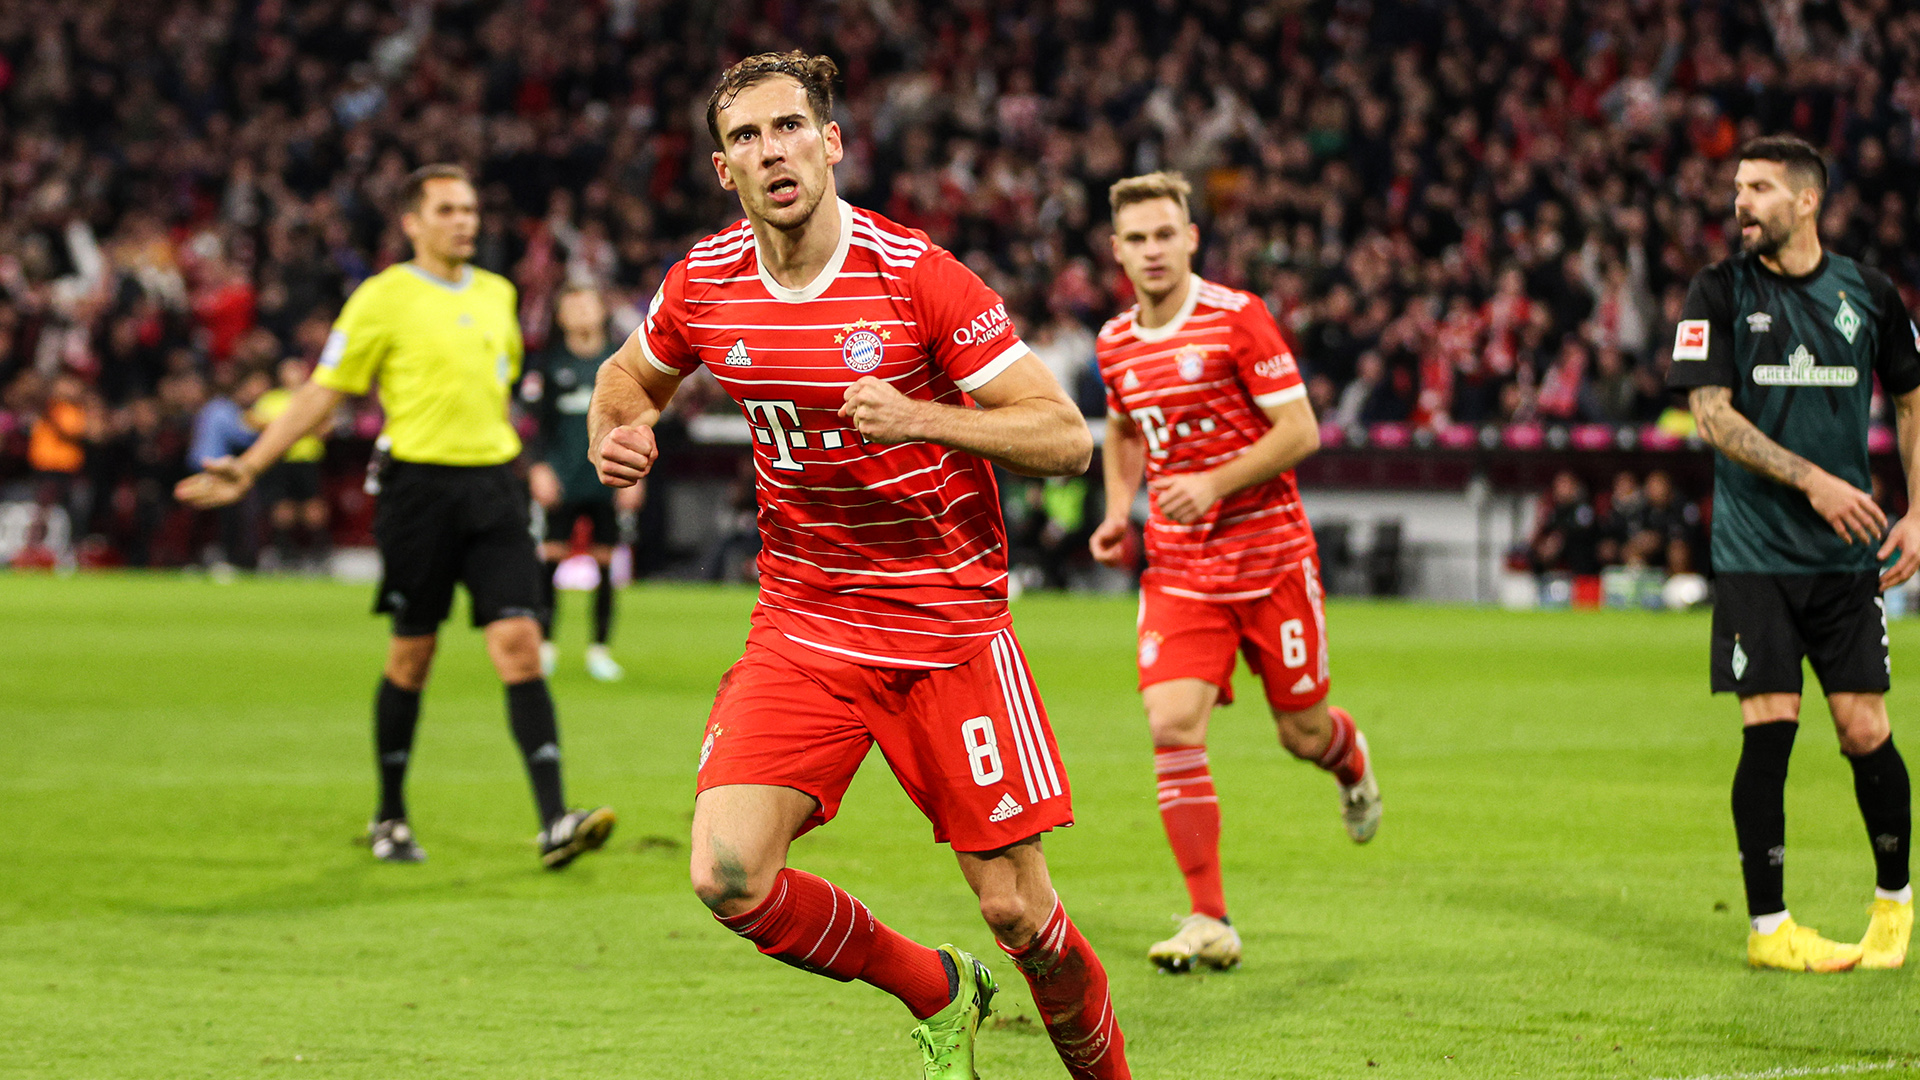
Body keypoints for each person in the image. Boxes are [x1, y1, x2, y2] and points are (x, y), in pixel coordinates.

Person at [588, 53, 1129, 1080]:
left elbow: (1064, 437)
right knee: (729, 874)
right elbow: (627, 375)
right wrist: (614, 430)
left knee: (1023, 915)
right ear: (722, 168)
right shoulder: (705, 283)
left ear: (830, 143)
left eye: (790, 127)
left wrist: (921, 416)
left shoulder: (916, 275)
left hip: (947, 631)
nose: (772, 150)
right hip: (803, 623)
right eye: (746, 137)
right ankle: (936, 990)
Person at [177, 164, 614, 871]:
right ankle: (390, 814)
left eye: (470, 208)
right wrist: (252, 464)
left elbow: (496, 394)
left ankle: (555, 820)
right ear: (412, 222)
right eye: (446, 209)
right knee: (414, 655)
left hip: (494, 489)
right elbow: (326, 391)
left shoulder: (500, 296)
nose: (464, 221)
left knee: (520, 645)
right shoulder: (381, 298)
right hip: (418, 493)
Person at [1087, 171, 1381, 975]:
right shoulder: (1114, 342)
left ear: (1191, 239)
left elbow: (1302, 430)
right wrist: (1118, 511)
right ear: (1117, 251)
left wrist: (1212, 483)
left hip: (1273, 561)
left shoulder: (1236, 319)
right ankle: (1209, 916)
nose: (1151, 250)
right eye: (1136, 239)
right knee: (1171, 724)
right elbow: (1120, 429)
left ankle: (1349, 759)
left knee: (1302, 732)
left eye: (1164, 234)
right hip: (1181, 573)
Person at [1667, 135, 1916, 972]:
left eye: (1761, 188)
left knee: (1864, 730)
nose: (1742, 201)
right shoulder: (1716, 291)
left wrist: (1917, 511)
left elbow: (1914, 402)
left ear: (1807, 201)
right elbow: (1710, 416)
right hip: (1753, 556)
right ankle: (1770, 928)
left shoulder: (1869, 294)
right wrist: (1812, 479)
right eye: (1739, 186)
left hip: (1845, 560)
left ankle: (1893, 902)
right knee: (1768, 731)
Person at [523, 283, 641, 682]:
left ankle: (600, 650)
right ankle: (545, 646)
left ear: (600, 311)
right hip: (561, 478)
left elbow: (634, 421)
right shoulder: (548, 365)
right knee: (550, 558)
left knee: (607, 563)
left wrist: (635, 477)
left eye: (587, 304)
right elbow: (534, 427)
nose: (581, 312)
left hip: (607, 479)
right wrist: (537, 468)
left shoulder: (620, 363)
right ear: (561, 317)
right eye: (571, 306)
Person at [250, 358, 333, 573]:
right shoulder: (271, 399)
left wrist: (286, 429)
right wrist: (297, 428)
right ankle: (286, 554)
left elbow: (326, 427)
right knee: (281, 507)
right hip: (278, 460)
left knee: (312, 507)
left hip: (306, 459)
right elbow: (253, 421)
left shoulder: (314, 398)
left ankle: (319, 554)